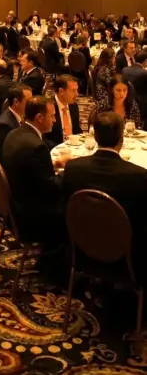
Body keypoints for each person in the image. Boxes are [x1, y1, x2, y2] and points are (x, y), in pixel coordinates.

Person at [63, 112, 147, 279]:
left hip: (82, 248)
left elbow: (65, 208)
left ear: (95, 138)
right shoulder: (139, 176)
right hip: (126, 259)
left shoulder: (73, 168)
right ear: (121, 140)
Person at [1, 96, 66, 249]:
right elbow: (52, 188)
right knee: (75, 207)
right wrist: (70, 170)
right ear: (39, 118)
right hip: (30, 217)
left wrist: (52, 164)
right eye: (52, 116)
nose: (55, 120)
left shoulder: (14, 133)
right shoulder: (37, 146)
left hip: (12, 204)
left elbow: (29, 167)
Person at [0, 84, 32, 160]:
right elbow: (6, 156)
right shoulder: (4, 125)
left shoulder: (21, 117)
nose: (32, 105)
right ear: (16, 102)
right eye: (28, 101)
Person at [45, 75, 81, 148]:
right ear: (61, 91)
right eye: (73, 91)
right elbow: (44, 138)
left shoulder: (73, 106)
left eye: (77, 90)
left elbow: (77, 130)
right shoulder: (49, 107)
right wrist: (62, 148)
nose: (77, 94)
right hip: (56, 149)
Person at [122, 51, 147, 129]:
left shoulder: (125, 70)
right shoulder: (144, 73)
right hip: (141, 103)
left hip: (126, 100)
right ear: (145, 61)